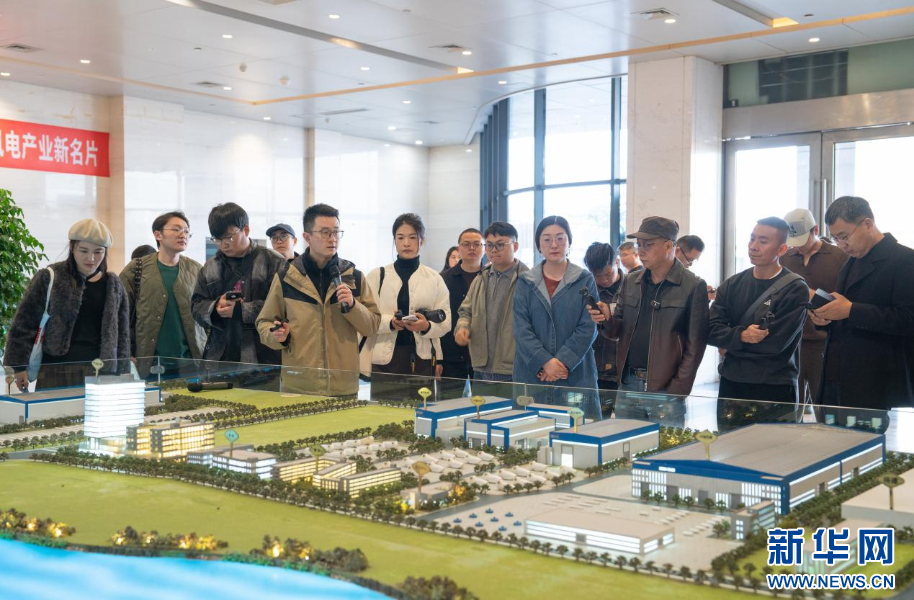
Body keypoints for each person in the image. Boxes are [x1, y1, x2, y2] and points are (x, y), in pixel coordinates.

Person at [809, 196, 914, 431]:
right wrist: (825, 319)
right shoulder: (851, 262)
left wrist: (851, 311)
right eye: (835, 239)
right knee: (830, 444)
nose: (842, 244)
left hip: (873, 377)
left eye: (845, 236)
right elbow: (844, 311)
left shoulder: (905, 260)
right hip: (836, 373)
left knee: (863, 446)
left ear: (868, 223)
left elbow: (908, 319)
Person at [591, 218, 709, 425]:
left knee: (665, 445)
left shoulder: (693, 286)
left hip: (665, 388)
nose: (641, 251)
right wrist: (606, 318)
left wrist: (678, 389)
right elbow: (617, 330)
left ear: (668, 246)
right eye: (639, 245)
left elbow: (696, 345)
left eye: (648, 245)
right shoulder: (631, 281)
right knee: (625, 442)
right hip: (628, 384)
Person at [257, 204, 380, 396]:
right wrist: (277, 335)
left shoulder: (354, 277)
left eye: (336, 232)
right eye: (325, 233)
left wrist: (353, 306)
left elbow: (372, 326)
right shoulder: (286, 278)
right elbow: (264, 323)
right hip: (299, 387)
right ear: (307, 237)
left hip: (343, 387)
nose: (332, 238)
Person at [4, 219, 130, 390]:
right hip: (55, 370)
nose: (91, 258)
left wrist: (123, 371)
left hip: (100, 372)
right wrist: (18, 367)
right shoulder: (50, 277)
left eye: (98, 252)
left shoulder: (113, 284)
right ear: (72, 247)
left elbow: (122, 333)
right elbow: (24, 323)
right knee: (53, 408)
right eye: (84, 250)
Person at [709, 217, 809, 428]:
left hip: (774, 385)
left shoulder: (795, 288)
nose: (753, 246)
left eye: (763, 241)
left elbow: (775, 344)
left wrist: (730, 344)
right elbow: (709, 330)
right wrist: (741, 336)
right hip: (732, 382)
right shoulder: (732, 284)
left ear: (781, 249)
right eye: (752, 239)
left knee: (773, 447)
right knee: (729, 443)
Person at [513, 216, 599, 418]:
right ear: (538, 245)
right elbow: (521, 328)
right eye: (547, 239)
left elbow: (588, 327)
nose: (554, 245)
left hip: (575, 373)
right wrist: (544, 362)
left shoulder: (585, 279)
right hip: (533, 373)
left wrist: (561, 362)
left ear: (569, 242)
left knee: (579, 430)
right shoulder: (525, 281)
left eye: (560, 238)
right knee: (530, 431)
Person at [362, 213, 451, 401]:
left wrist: (426, 326)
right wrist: (390, 323)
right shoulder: (377, 276)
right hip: (386, 359)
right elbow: (366, 318)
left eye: (412, 237)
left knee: (420, 412)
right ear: (394, 240)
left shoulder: (434, 278)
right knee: (384, 411)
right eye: (400, 238)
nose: (406, 243)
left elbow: (446, 322)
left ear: (422, 241)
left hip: (422, 360)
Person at [192, 202, 286, 367]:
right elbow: (196, 306)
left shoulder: (274, 261)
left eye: (229, 237)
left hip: (263, 359)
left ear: (246, 230)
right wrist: (216, 308)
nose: (224, 244)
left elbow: (284, 307)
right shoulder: (210, 267)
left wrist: (241, 311)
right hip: (219, 359)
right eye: (217, 239)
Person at [119, 211, 205, 377]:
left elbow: (205, 313)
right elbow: (120, 315)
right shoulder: (136, 268)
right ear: (158, 234)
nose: (183, 235)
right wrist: (125, 353)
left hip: (190, 362)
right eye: (176, 229)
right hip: (148, 363)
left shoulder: (196, 269)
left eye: (186, 231)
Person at [780, 208, 847, 410]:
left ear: (815, 230)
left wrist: (812, 295)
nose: (798, 247)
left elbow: (845, 300)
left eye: (802, 240)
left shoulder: (839, 256)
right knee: (790, 407)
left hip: (825, 343)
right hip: (792, 342)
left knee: (824, 407)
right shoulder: (786, 257)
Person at [455, 221, 529, 385]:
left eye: (500, 245)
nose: (493, 250)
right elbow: (465, 311)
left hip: (514, 369)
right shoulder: (481, 278)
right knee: (480, 403)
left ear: (515, 246)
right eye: (489, 245)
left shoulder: (528, 280)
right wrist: (462, 327)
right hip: (481, 367)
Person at [439, 229, 484, 387]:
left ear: (484, 248)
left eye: (477, 244)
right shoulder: (443, 279)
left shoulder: (491, 279)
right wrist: (437, 360)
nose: (472, 248)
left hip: (483, 357)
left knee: (484, 401)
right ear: (459, 248)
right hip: (450, 356)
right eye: (466, 244)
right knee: (450, 400)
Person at [582, 242, 623, 396]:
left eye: (608, 274)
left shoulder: (633, 289)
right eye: (597, 276)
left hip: (624, 372)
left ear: (617, 262)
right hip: (596, 369)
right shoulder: (588, 294)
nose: (604, 280)